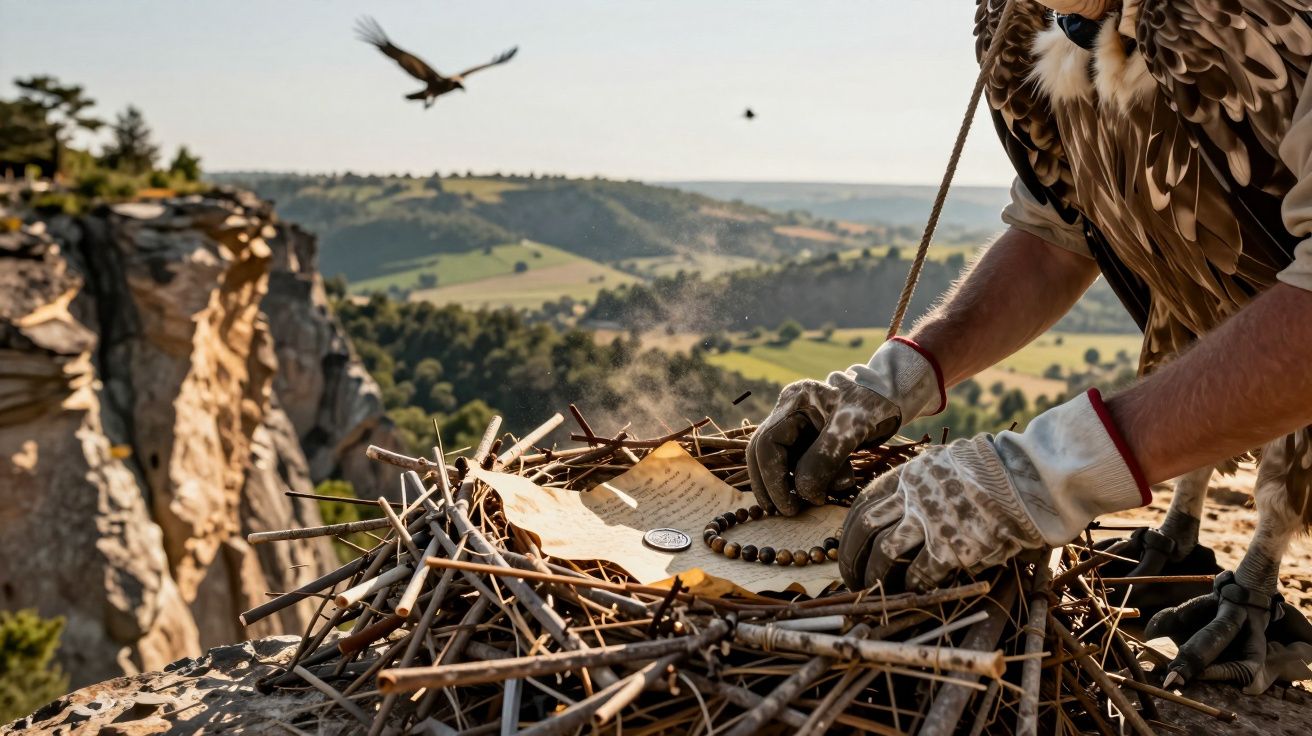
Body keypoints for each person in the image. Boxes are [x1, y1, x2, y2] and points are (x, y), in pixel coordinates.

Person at [747, 0, 1312, 693]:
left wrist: (1046, 473)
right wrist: (896, 378)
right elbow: (1057, 232)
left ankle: (1258, 579)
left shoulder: (1226, 17)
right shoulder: (1034, 27)